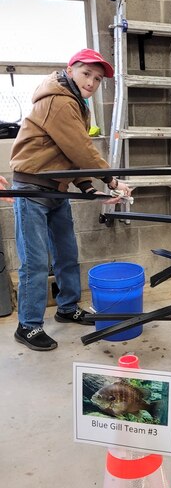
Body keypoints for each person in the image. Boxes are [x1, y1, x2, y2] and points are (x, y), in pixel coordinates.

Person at [9, 48, 132, 352]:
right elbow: (79, 148)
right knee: (36, 262)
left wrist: (89, 188)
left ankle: (67, 307)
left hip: (56, 190)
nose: (91, 81)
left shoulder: (76, 102)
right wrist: (111, 179)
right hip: (32, 190)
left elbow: (68, 154)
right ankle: (28, 326)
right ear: (71, 69)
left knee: (67, 253)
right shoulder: (60, 100)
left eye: (98, 78)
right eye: (86, 73)